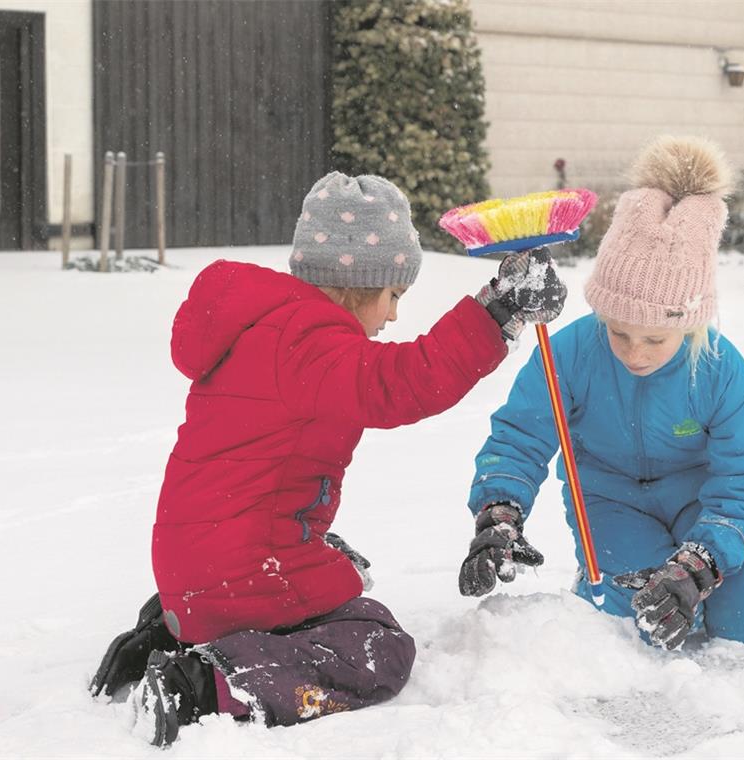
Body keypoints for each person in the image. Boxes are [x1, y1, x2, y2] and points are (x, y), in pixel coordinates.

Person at [89, 171, 568, 746]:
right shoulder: (308, 339)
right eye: (393, 296)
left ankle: (168, 635)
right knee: (379, 646)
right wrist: (497, 314)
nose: (392, 316)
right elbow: (404, 383)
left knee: (343, 565)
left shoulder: (264, 327)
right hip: (238, 569)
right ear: (357, 283)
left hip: (192, 565)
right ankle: (206, 683)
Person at [458, 137, 744, 651]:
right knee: (637, 625)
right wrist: (500, 513)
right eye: (619, 332)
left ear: (689, 326)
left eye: (655, 339)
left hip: (703, 501)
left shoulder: (717, 367)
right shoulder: (572, 352)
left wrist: (699, 565)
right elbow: (520, 437)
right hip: (611, 502)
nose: (635, 352)